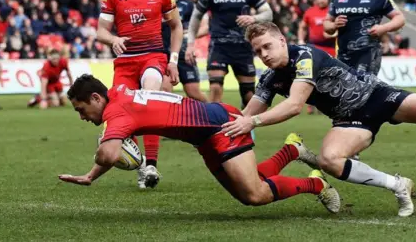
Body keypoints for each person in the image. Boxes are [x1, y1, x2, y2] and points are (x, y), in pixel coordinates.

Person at [221, 22, 416, 217]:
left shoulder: (305, 57)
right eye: (258, 51)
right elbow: (248, 114)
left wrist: (252, 124)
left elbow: (294, 105)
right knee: (329, 160)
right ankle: (398, 184)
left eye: (267, 46)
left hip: (378, 97)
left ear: (282, 41)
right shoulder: (271, 78)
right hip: (349, 120)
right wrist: (223, 128)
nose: (264, 54)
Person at [57, 75, 341, 214]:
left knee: (255, 194)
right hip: (203, 135)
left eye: (81, 110)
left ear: (96, 98)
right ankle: (292, 150)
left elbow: (108, 154)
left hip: (221, 125)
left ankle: (316, 184)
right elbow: (112, 151)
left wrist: (97, 161)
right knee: (247, 193)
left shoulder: (116, 113)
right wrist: (92, 175)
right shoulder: (118, 92)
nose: (83, 117)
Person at [96, 0, 184, 189]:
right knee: (124, 111)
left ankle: (153, 163)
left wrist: (173, 61)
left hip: (152, 57)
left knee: (149, 94)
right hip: (125, 63)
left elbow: (176, 27)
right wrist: (114, 39)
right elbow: (101, 31)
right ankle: (143, 166)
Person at [185, 0, 273, 107]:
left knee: (248, 94)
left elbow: (268, 13)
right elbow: (196, 17)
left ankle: (245, 130)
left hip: (243, 46)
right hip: (219, 45)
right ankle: (214, 129)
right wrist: (191, 44)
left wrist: (253, 18)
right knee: (215, 88)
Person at [323, 0, 405, 75]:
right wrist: (334, 25)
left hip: (369, 55)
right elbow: (326, 25)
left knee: (363, 91)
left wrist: (383, 28)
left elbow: (400, 18)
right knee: (345, 92)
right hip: (343, 56)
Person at [159, 0, 208, 102]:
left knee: (194, 92)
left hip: (184, 54)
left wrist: (188, 36)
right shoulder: (155, 6)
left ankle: (215, 114)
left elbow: (205, 27)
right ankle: (168, 120)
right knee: (164, 90)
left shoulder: (188, 5)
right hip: (162, 55)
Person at [299, 0, 337, 115]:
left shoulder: (332, 12)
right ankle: (310, 104)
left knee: (328, 77)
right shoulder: (310, 11)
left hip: (330, 48)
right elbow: (302, 27)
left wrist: (334, 33)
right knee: (311, 76)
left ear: (328, 0)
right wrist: (300, 40)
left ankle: (324, 104)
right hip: (313, 48)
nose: (321, 0)